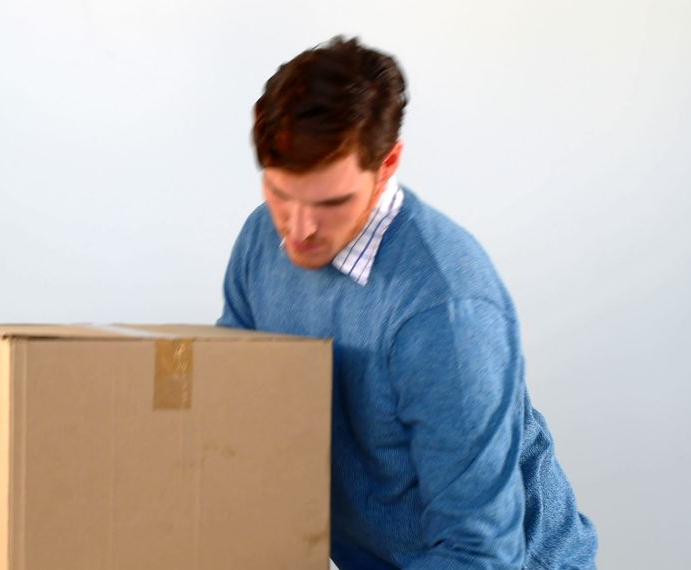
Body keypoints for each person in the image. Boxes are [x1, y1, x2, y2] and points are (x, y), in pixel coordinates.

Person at [216, 36, 598, 569]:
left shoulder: (444, 311)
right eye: (281, 194)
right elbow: (235, 413)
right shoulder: (262, 242)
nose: (298, 230)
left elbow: (480, 553)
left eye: (331, 202)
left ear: (388, 163)